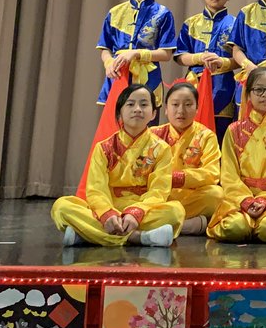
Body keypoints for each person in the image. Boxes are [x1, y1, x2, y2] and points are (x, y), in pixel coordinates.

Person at [52, 83, 184, 247]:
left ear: (153, 113)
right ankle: (138, 237)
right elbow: (96, 189)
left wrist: (136, 213)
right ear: (119, 113)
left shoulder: (162, 149)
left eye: (144, 104)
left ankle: (90, 234)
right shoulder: (104, 148)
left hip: (143, 209)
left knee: (175, 212)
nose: (137, 109)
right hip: (110, 206)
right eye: (130, 104)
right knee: (61, 207)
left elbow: (159, 191)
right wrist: (107, 213)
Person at [207, 66, 266, 243]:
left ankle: (257, 225)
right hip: (239, 200)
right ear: (248, 94)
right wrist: (245, 200)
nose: (265, 95)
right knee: (235, 228)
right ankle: (247, 225)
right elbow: (228, 174)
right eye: (259, 90)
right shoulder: (234, 130)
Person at [96, 0, 176, 110]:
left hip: (149, 79)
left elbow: (166, 54)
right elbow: (105, 47)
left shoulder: (163, 14)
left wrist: (136, 54)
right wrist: (109, 63)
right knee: (115, 123)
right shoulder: (115, 12)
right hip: (118, 75)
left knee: (145, 119)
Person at [151, 81, 221, 235]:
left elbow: (212, 173)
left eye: (188, 105)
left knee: (216, 195)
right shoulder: (153, 135)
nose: (181, 111)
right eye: (175, 104)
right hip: (160, 197)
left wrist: (177, 178)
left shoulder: (206, 136)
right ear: (166, 109)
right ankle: (188, 226)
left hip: (191, 198)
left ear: (197, 109)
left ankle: (160, 223)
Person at [174, 0, 238, 140]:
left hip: (223, 86)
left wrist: (222, 62)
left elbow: (241, 59)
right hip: (194, 83)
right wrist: (199, 58)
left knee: (220, 133)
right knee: (189, 133)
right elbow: (180, 56)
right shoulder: (191, 23)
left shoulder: (235, 24)